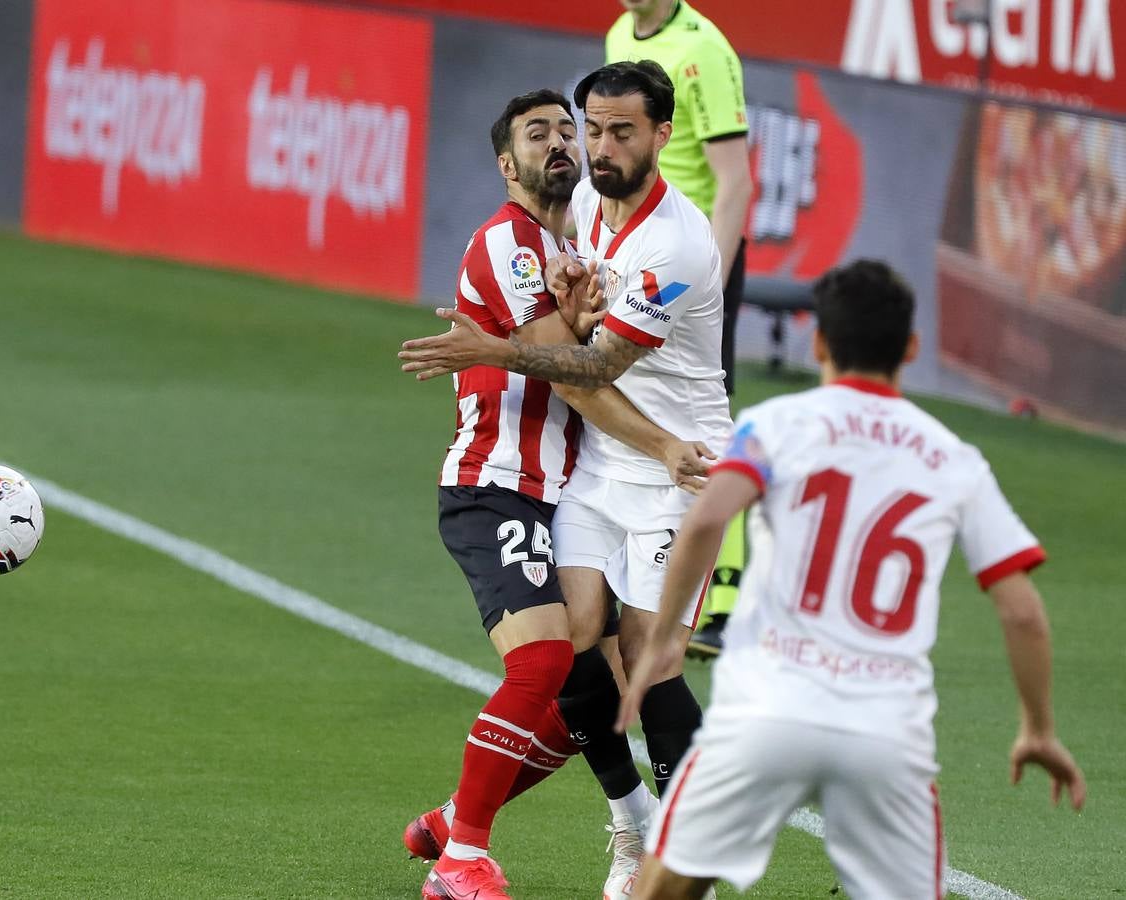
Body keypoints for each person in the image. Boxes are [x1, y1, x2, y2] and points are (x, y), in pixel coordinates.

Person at [616, 259, 1087, 899]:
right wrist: (1038, 728)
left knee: (664, 889)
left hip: (766, 711)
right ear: (911, 348)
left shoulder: (775, 424)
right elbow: (1023, 612)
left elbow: (705, 523)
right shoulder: (954, 459)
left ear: (818, 344)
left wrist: (664, 639)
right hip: (885, 732)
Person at [401, 60, 730, 900]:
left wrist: (509, 342)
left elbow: (590, 368)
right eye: (587, 129)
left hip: (675, 468)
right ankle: (612, 829)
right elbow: (576, 347)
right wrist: (568, 307)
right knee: (570, 647)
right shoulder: (568, 212)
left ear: (662, 136)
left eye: (618, 131)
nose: (593, 146)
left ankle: (668, 859)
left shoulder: (675, 242)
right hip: (570, 473)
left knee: (641, 665)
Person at [607, 0, 756, 658]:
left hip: (695, 269)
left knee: (706, 419)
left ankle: (723, 595)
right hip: (641, 259)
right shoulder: (620, 33)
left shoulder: (706, 51)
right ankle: (637, 571)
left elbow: (735, 185)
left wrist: (708, 289)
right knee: (632, 408)